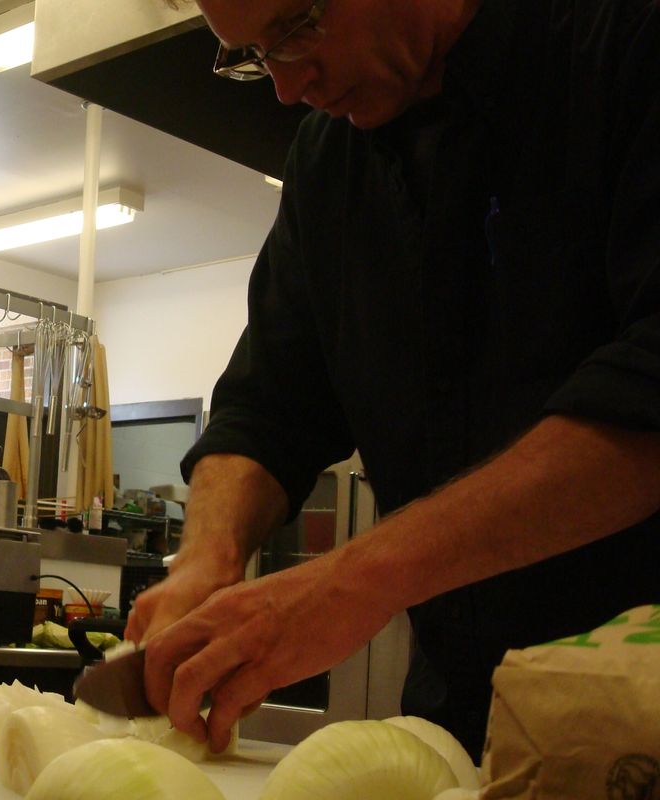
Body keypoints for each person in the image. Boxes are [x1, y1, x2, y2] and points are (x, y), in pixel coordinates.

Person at [127, 0, 660, 760]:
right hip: (455, 732)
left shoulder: (624, 43)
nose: (285, 86)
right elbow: (267, 406)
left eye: (298, 26)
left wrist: (358, 578)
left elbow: (648, 392)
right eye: (251, 54)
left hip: (642, 723)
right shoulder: (326, 162)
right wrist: (208, 553)